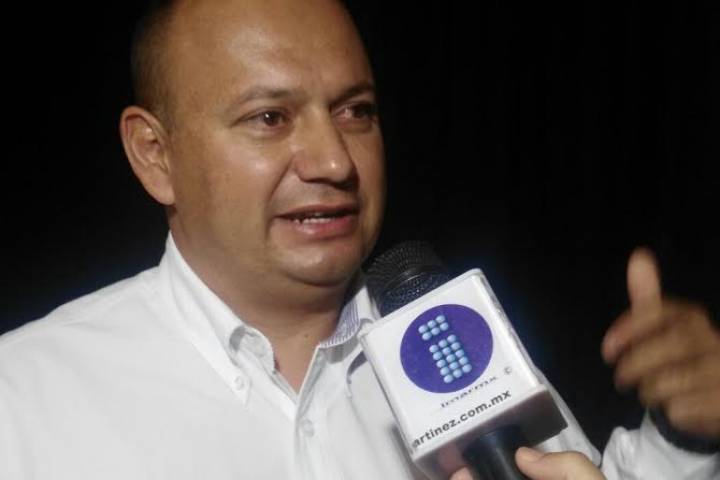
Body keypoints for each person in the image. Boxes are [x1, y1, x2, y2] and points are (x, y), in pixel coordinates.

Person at [0, 0, 717, 479]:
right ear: (155, 155)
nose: (335, 162)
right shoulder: (24, 396)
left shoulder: (458, 348)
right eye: (270, 118)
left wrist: (685, 440)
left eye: (355, 111)